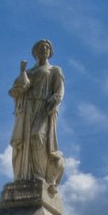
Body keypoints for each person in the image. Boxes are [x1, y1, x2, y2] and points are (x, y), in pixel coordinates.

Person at [9, 39, 65, 188]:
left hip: (44, 108)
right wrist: (22, 71)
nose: (44, 50)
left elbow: (59, 90)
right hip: (27, 108)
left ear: (50, 52)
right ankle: (24, 176)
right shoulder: (29, 72)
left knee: (37, 136)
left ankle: (39, 176)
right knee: (25, 142)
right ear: (35, 52)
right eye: (41, 48)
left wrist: (55, 100)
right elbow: (18, 89)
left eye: (47, 48)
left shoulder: (55, 70)